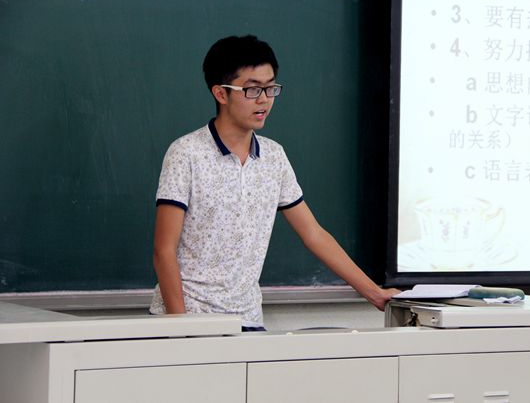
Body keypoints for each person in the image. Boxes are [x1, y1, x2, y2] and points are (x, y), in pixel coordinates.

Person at [149, 35, 399, 330]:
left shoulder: (273, 157)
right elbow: (164, 250)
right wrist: (181, 328)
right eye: (253, 89)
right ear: (221, 93)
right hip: (190, 316)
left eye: (270, 88)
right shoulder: (186, 153)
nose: (264, 99)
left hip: (248, 320)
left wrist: (374, 293)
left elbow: (314, 234)